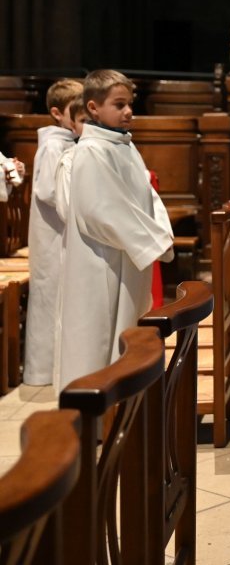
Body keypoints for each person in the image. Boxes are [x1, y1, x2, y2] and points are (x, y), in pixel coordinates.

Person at [55, 69, 175, 389]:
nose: (128, 112)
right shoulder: (91, 151)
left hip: (128, 257)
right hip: (102, 263)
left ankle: (124, 409)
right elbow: (102, 210)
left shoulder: (123, 145)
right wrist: (151, 241)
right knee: (100, 337)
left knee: (128, 331)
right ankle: (96, 415)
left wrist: (161, 233)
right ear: (93, 108)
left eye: (130, 104)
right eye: (119, 105)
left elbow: (147, 197)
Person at [23, 79, 84, 386]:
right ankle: (42, 372)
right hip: (52, 236)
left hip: (61, 234)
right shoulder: (52, 145)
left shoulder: (67, 143)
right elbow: (49, 190)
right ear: (58, 113)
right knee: (49, 301)